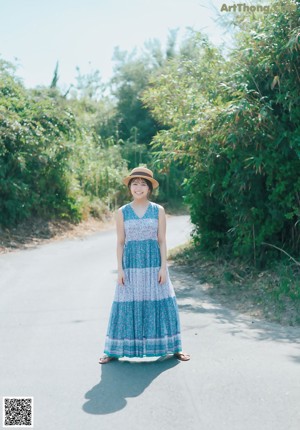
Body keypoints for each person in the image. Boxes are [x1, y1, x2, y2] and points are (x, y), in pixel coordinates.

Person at [99, 167, 190, 364]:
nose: (138, 187)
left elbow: (162, 241)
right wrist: (120, 269)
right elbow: (121, 242)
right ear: (130, 187)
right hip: (131, 265)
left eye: (142, 184)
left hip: (153, 263)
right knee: (124, 304)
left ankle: (175, 347)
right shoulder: (122, 212)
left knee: (164, 302)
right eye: (135, 183)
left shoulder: (158, 210)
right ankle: (113, 350)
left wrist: (163, 267)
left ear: (149, 188)